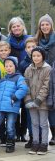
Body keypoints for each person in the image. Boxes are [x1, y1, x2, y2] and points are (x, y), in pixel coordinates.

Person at [7, 16, 30, 142]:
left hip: (27, 76)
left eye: (18, 25)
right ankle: (15, 132)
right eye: (13, 26)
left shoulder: (29, 40)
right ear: (10, 29)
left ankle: (23, 132)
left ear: (23, 27)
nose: (16, 28)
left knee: (26, 107)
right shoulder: (7, 41)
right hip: (12, 77)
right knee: (14, 106)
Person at [25, 46, 51, 155]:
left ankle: (44, 144)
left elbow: (46, 86)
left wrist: (38, 100)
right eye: (34, 56)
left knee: (43, 124)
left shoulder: (47, 69)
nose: (36, 58)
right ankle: (35, 143)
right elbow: (25, 85)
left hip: (43, 103)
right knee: (34, 123)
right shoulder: (28, 69)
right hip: (31, 102)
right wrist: (28, 100)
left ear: (43, 56)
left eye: (38, 55)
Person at [35, 14, 55, 145]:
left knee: (53, 105)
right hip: (41, 76)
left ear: (51, 25)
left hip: (54, 75)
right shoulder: (37, 41)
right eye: (42, 24)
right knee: (44, 105)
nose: (45, 26)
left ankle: (54, 135)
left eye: (47, 24)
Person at [19, 37, 37, 148]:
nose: (31, 49)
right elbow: (21, 80)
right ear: (25, 49)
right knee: (30, 118)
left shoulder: (42, 61)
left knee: (39, 118)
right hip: (28, 95)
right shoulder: (23, 64)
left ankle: (39, 138)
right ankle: (31, 137)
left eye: (33, 47)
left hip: (40, 95)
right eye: (28, 47)